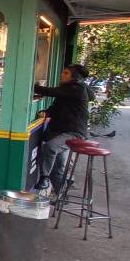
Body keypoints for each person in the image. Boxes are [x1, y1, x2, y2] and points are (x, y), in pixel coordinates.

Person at [33, 64, 92, 196]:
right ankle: (61, 196)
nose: (61, 75)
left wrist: (29, 85)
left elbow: (51, 92)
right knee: (58, 168)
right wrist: (47, 112)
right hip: (60, 131)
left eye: (65, 73)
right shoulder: (68, 90)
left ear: (74, 77)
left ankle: (44, 178)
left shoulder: (77, 88)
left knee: (50, 148)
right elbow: (57, 106)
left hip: (73, 133)